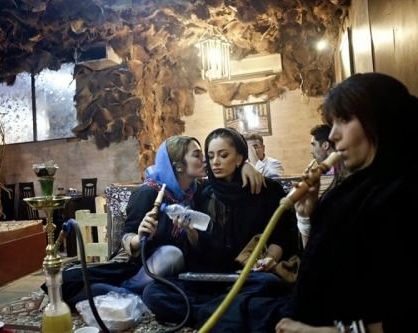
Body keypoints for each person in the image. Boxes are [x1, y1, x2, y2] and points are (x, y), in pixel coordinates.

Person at [246, 73, 415, 333]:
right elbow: (318, 265)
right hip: (304, 316)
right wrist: (306, 216)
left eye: (345, 120)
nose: (334, 135)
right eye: (333, 122)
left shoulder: (403, 195)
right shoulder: (353, 188)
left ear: (382, 121)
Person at [59, 135, 264, 309]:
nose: (206, 160)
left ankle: (129, 296)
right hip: (140, 265)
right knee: (170, 254)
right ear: (179, 166)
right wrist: (139, 239)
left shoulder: (197, 191)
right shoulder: (149, 193)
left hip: (178, 268)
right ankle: (126, 291)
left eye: (204, 155)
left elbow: (227, 177)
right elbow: (127, 237)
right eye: (197, 155)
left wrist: (245, 166)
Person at [142, 127, 297, 328]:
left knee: (270, 284)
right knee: (154, 292)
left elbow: (282, 235)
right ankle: (231, 312)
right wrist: (190, 232)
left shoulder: (265, 190)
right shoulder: (203, 193)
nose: (215, 162)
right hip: (211, 278)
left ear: (240, 158)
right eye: (211, 156)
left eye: (223, 155)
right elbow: (197, 252)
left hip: (248, 277)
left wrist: (271, 259)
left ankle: (210, 313)